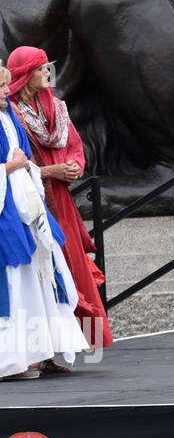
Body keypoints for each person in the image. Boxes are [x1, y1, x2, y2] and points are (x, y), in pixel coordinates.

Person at [7, 46, 112, 349]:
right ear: (26, 75)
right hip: (33, 203)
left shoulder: (58, 108)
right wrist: (51, 171)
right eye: (40, 68)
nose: (46, 73)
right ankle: (50, 350)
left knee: (75, 271)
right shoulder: (12, 115)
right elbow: (17, 166)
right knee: (48, 272)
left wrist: (73, 167)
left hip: (62, 201)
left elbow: (77, 149)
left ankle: (88, 344)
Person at [0, 66, 88, 379]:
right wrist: (11, 167)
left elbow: (31, 160)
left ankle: (42, 350)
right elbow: (17, 162)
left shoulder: (10, 115)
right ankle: (19, 357)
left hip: (28, 202)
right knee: (16, 278)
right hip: (6, 209)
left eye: (5, 86)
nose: (3, 94)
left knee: (44, 270)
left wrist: (33, 170)